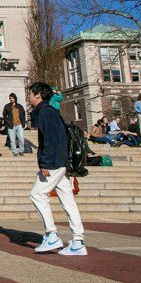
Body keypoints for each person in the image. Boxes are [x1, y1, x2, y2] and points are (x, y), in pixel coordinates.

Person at [27, 81, 86, 256]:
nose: (29, 97)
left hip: (54, 162)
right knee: (68, 201)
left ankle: (51, 234)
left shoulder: (46, 112)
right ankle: (78, 241)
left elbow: (51, 139)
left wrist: (45, 163)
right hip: (61, 161)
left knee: (37, 194)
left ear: (38, 95)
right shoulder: (51, 111)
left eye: (30, 93)